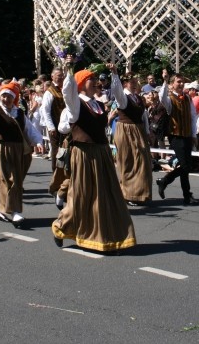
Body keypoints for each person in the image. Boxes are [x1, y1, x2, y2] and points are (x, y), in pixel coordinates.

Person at [51, 60, 136, 252]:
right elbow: (68, 92)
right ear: (81, 84)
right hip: (84, 154)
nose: (96, 82)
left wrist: (115, 74)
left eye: (96, 79)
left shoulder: (98, 104)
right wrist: (69, 70)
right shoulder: (75, 105)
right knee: (82, 195)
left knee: (106, 195)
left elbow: (119, 96)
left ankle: (103, 235)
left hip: (102, 153)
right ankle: (61, 226)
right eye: (91, 79)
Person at [0, 80, 43, 227]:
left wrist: (38, 142)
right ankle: (14, 211)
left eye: (9, 96)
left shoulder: (19, 113)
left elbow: (30, 130)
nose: (6, 99)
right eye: (3, 96)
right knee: (5, 179)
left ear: (14, 98)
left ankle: (2, 210)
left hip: (16, 150)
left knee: (15, 180)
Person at [109, 65, 153, 206]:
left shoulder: (138, 98)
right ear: (125, 84)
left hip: (138, 130)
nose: (134, 83)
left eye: (135, 81)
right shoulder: (123, 98)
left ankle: (139, 193)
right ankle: (128, 194)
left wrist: (147, 131)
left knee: (142, 162)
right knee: (128, 162)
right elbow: (116, 91)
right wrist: (115, 74)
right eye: (131, 81)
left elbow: (144, 116)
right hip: (126, 131)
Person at [157, 69, 199, 205]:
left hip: (186, 135)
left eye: (182, 82)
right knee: (186, 165)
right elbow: (161, 98)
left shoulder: (187, 98)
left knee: (186, 166)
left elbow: (193, 116)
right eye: (178, 82)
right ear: (172, 84)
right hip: (175, 136)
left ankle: (187, 195)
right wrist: (164, 80)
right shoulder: (170, 98)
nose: (181, 84)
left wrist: (193, 134)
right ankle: (165, 181)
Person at [41, 68, 68, 205]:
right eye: (58, 76)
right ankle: (55, 185)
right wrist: (51, 127)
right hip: (56, 129)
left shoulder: (65, 89)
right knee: (58, 155)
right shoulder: (49, 92)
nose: (60, 77)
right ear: (52, 77)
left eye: (62, 76)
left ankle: (64, 182)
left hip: (66, 128)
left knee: (66, 155)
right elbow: (45, 111)